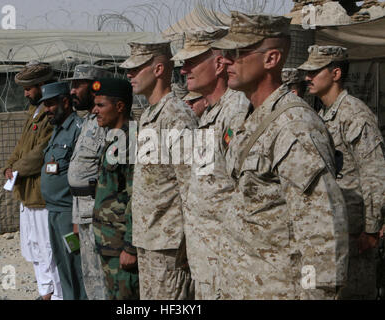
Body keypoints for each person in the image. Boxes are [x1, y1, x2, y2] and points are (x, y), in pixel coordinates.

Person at [212, 11, 349, 299]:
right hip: (245, 285)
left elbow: (321, 234)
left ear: (271, 59)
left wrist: (315, 295)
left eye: (237, 52)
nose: (225, 60)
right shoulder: (251, 118)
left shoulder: (295, 127)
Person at [299, 45, 385, 299]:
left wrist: (371, 229)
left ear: (336, 73)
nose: (308, 77)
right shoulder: (322, 115)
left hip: (354, 233)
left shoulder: (354, 114)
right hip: (331, 229)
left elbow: (375, 172)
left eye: (315, 71)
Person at [171, 27, 250, 299]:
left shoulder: (236, 112)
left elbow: (245, 190)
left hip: (225, 257)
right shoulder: (210, 114)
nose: (184, 70)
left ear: (218, 64)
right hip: (204, 255)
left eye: (192, 62)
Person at [120, 41, 198, 299]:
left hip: (170, 245)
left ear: (158, 69)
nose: (129, 74)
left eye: (137, 68)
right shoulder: (150, 115)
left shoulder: (176, 116)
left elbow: (191, 185)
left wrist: (189, 246)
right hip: (150, 239)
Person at [4, 61, 62, 300]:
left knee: (49, 248)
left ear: (41, 85)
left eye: (29, 88)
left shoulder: (51, 114)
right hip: (27, 192)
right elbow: (22, 146)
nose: (26, 93)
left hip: (41, 192)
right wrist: (10, 165)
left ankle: (56, 294)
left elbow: (40, 152)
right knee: (34, 247)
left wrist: (17, 169)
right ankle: (44, 290)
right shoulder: (34, 112)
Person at [64, 64, 112, 300]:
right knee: (90, 279)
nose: (72, 91)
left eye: (77, 85)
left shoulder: (108, 122)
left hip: (99, 214)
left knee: (103, 281)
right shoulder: (88, 122)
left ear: (94, 87)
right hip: (82, 211)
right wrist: (76, 219)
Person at [91, 77, 139, 300]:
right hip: (108, 243)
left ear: (119, 107)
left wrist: (130, 246)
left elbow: (136, 198)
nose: (94, 111)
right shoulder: (115, 139)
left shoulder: (130, 142)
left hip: (121, 247)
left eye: (101, 105)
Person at [39, 81, 87, 300]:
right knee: (62, 265)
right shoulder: (57, 130)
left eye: (50, 104)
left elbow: (82, 173)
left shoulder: (78, 129)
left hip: (69, 213)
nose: (46, 110)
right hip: (54, 212)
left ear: (65, 102)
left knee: (77, 266)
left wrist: (77, 214)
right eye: (45, 105)